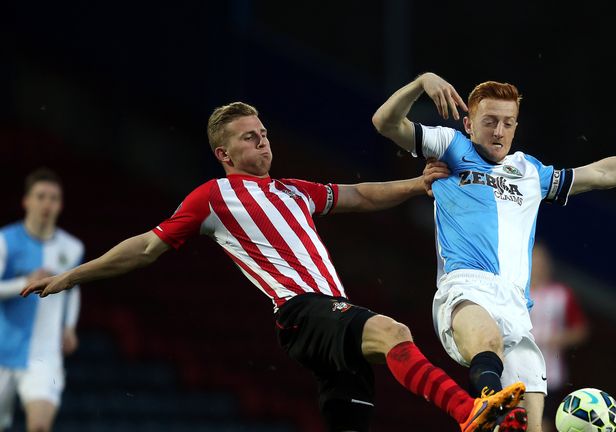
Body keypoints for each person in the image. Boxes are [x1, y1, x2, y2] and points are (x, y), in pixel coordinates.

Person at [21, 102, 528, 432]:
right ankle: (470, 411)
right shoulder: (212, 196)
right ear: (223, 153)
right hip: (303, 312)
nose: (262, 141)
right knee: (393, 331)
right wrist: (72, 275)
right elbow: (146, 247)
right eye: (248, 137)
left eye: (263, 132)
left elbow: (356, 194)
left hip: (325, 319)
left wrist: (416, 186)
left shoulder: (290, 190)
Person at [371, 71, 616, 432]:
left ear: (516, 126)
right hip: (465, 288)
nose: (499, 131)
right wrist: (421, 82)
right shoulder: (451, 148)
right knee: (487, 344)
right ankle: (491, 403)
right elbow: (385, 122)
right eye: (489, 122)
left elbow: (603, 173)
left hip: (517, 307)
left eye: (507, 123)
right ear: (469, 124)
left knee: (532, 428)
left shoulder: (530, 172)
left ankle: (502, 416)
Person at [0, 168, 82, 432]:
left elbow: (73, 289)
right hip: (3, 351)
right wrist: (24, 283)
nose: (47, 204)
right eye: (41, 196)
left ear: (61, 205)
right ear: (26, 201)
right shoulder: (5, 241)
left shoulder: (72, 248)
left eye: (54, 198)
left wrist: (69, 325)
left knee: (39, 427)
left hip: (43, 355)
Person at [528, 243, 588, 432]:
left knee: (540, 425)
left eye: (541, 261)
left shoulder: (561, 294)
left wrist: (558, 339)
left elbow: (581, 330)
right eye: (534, 260)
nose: (538, 265)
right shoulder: (516, 291)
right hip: (516, 371)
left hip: (549, 375)